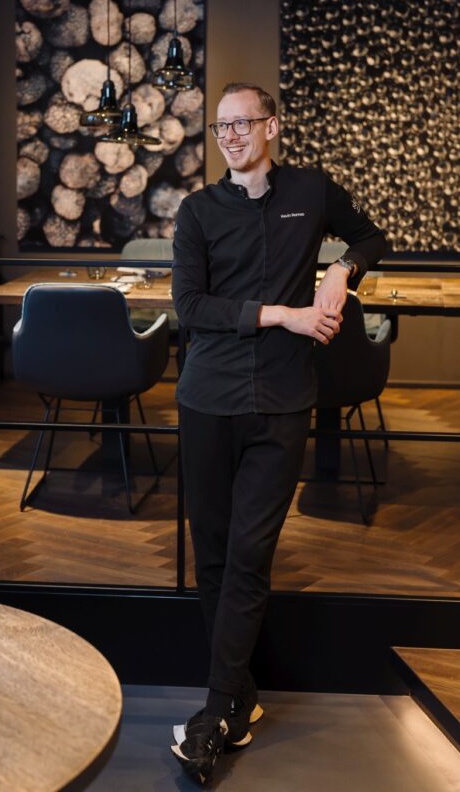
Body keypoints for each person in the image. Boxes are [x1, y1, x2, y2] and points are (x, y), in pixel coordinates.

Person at [170, 82, 387, 785]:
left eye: (242, 123)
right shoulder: (197, 211)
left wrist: (340, 270)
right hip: (207, 400)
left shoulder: (311, 188)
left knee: (249, 553)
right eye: (219, 126)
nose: (230, 135)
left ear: (271, 126)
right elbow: (190, 307)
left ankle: (211, 716)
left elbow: (369, 234)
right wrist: (285, 315)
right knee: (211, 554)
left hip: (283, 401)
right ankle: (239, 699)